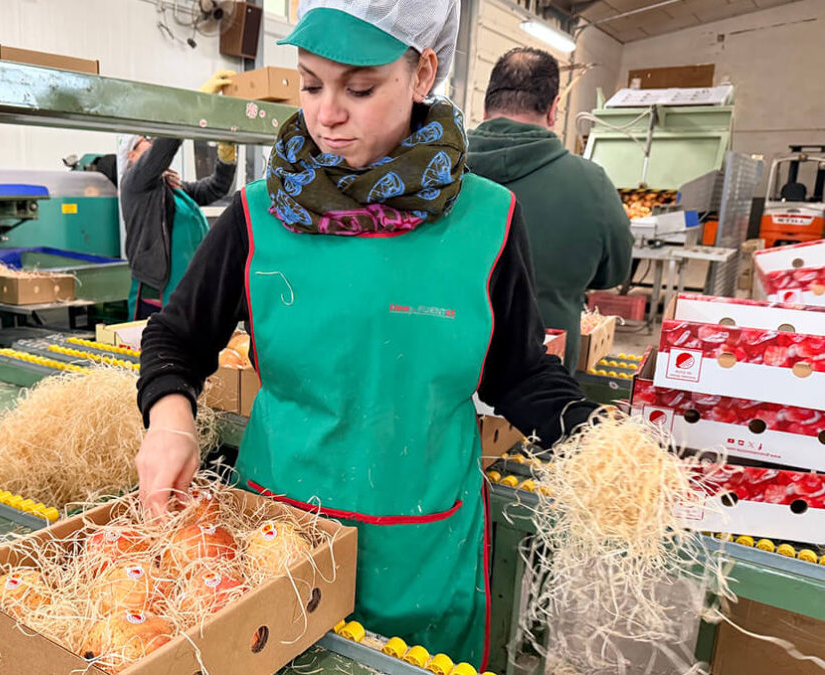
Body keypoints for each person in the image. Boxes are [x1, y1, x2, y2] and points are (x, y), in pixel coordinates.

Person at [134, 1, 598, 667]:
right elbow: (177, 337)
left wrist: (595, 439)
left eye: (359, 89)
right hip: (276, 546)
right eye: (310, 84)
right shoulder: (260, 215)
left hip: (421, 554)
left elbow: (517, 371)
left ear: (422, 73)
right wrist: (170, 421)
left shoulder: (487, 220)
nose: (326, 114)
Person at [467, 47, 633, 368]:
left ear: (486, 107)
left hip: (443, 369)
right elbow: (612, 274)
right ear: (554, 109)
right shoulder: (592, 183)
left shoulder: (436, 170)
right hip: (542, 370)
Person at [120, 71, 239, 320]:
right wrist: (191, 106)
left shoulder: (171, 188)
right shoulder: (134, 184)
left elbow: (216, 188)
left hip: (190, 289)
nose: (152, 143)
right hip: (158, 295)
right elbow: (162, 150)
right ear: (131, 155)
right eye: (145, 140)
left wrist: (226, 156)